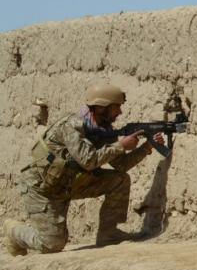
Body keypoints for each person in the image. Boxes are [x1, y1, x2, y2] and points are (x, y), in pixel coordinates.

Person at [4, 83, 164, 256]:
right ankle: (13, 231)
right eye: (116, 107)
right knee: (51, 245)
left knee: (120, 179)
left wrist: (146, 148)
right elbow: (88, 160)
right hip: (43, 189)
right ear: (102, 107)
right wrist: (120, 146)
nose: (120, 112)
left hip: (70, 184)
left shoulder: (102, 130)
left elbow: (121, 165)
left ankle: (108, 234)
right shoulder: (71, 126)